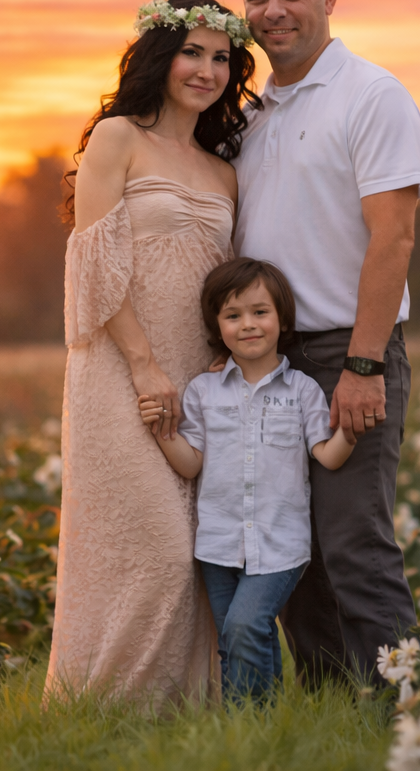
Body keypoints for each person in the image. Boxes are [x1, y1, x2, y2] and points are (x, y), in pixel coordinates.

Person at [47, 0, 260, 707]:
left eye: (221, 58)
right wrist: (142, 364)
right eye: (191, 53)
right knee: (154, 551)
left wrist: (224, 363)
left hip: (197, 378)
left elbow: (228, 283)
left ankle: (178, 721)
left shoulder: (224, 170)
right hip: (119, 367)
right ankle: (98, 710)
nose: (206, 69)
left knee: (197, 552)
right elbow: (94, 261)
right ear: (161, 58)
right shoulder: (118, 137)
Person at [234, 0, 420, 688]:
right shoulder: (247, 116)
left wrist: (363, 364)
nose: (274, 11)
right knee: (290, 551)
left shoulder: (372, 95)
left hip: (348, 350)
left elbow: (395, 238)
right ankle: (330, 711)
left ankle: (403, 716)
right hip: (267, 362)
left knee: (353, 543)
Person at [141, 257, 353, 704]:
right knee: (234, 640)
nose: (248, 325)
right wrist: (163, 430)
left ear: (282, 319)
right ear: (217, 327)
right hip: (218, 543)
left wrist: (349, 432)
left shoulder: (302, 390)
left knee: (246, 625)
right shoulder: (203, 390)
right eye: (233, 316)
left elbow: (327, 457)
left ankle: (244, 727)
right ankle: (267, 725)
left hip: (281, 545)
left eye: (260, 312)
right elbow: (191, 463)